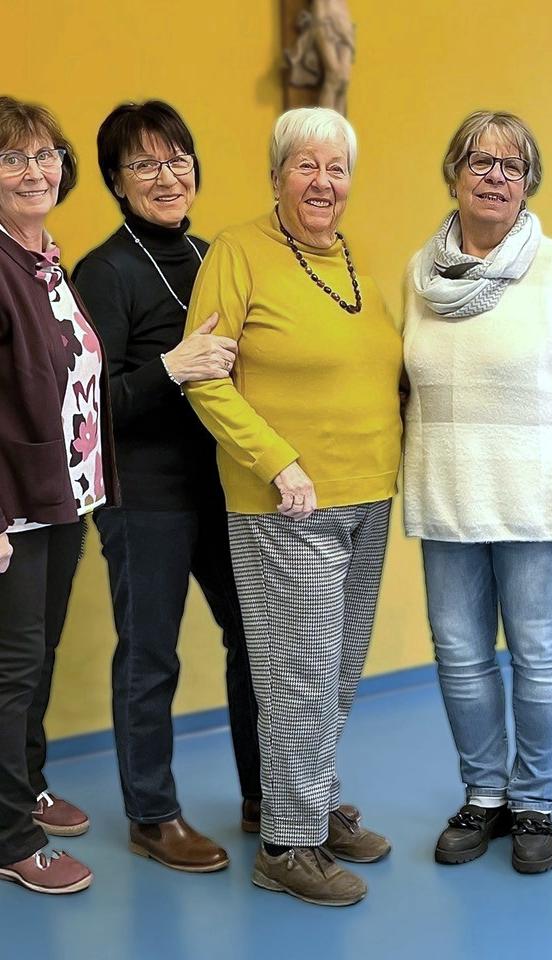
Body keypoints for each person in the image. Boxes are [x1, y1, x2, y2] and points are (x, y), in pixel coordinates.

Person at [184, 106, 403, 905]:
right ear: (276, 176)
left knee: (336, 674)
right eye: (306, 166)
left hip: (367, 494)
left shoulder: (356, 255)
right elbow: (205, 376)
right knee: (297, 678)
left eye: (336, 168)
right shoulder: (236, 253)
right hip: (286, 505)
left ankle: (309, 806)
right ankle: (285, 843)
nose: (323, 182)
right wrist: (279, 462)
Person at [404, 110, 552, 874]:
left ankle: (534, 802)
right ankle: (485, 797)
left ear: (529, 182)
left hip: (535, 503)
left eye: (511, 165)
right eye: (479, 161)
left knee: (539, 655)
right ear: (454, 175)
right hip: (446, 496)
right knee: (461, 657)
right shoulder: (420, 274)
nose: (495, 175)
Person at [72, 100, 261, 874]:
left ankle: (267, 794)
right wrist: (169, 370)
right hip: (141, 495)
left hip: (222, 486)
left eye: (177, 158)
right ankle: (153, 815)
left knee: (255, 642)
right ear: (117, 182)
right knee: (151, 657)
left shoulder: (215, 256)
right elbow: (87, 407)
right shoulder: (104, 270)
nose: (166, 176)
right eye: (144, 164)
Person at [0, 95, 119, 894]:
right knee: (10, 668)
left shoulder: (48, 261)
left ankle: (26, 787)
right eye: (11, 158)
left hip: (66, 492)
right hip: (14, 500)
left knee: (34, 658)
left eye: (46, 155)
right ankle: (9, 836)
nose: (35, 170)